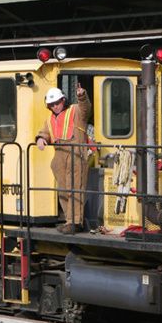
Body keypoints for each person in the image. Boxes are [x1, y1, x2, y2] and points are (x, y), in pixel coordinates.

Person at [36, 84, 91, 234]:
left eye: (57, 102)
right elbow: (44, 132)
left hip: (76, 154)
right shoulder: (49, 120)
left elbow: (85, 109)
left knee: (75, 189)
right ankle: (69, 221)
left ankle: (75, 222)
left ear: (63, 100)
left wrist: (82, 96)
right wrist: (41, 139)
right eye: (52, 104)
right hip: (59, 155)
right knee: (63, 190)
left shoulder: (75, 110)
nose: (55, 106)